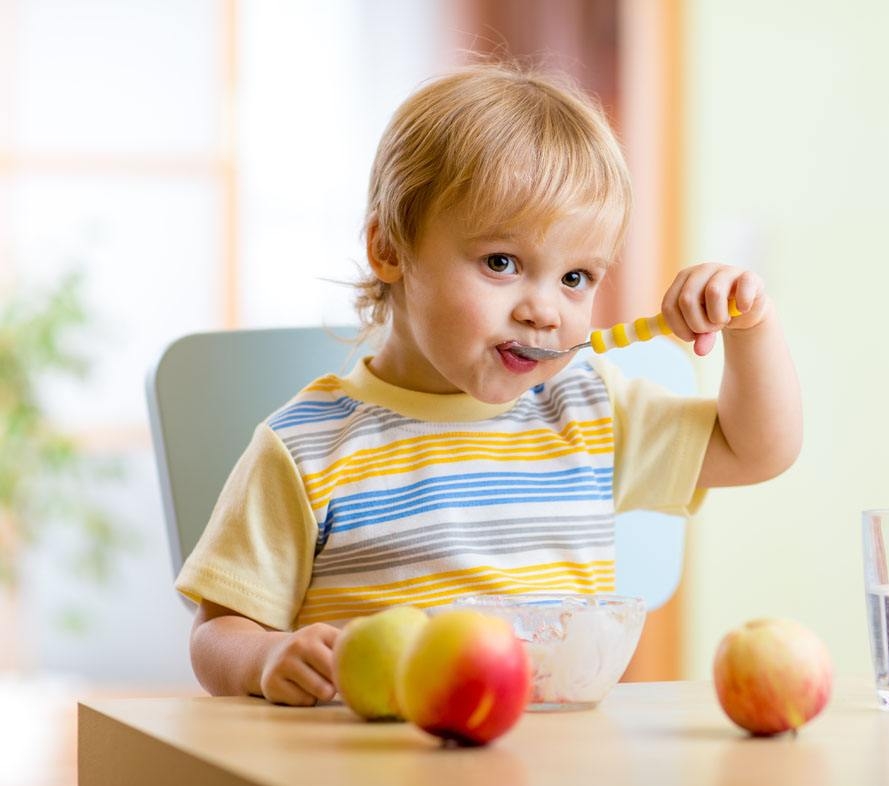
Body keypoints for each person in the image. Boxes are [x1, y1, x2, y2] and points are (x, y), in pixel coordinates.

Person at [176, 63, 802, 707]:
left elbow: (756, 449)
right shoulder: (306, 447)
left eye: (577, 278)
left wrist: (751, 329)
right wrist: (265, 658)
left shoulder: (588, 408)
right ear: (389, 248)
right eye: (502, 263)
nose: (546, 310)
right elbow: (216, 633)